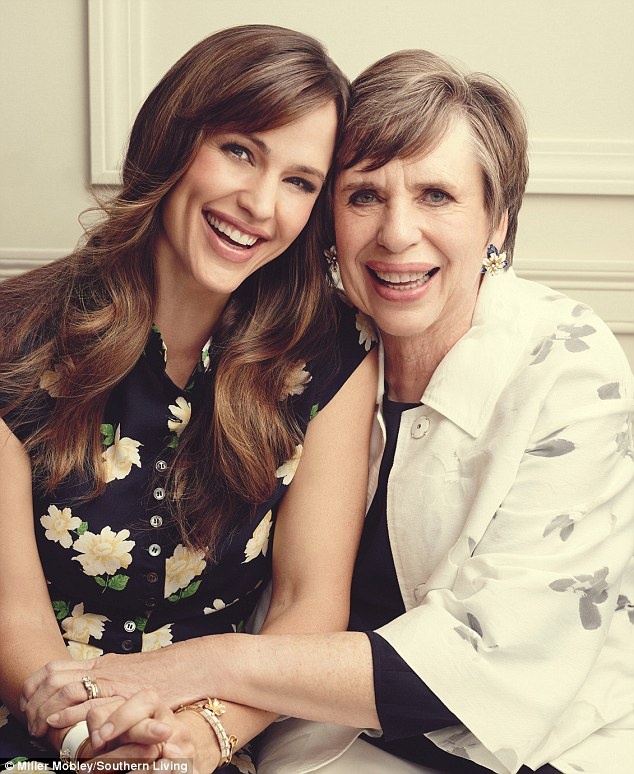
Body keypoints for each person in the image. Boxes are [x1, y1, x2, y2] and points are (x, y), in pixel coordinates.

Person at [22, 49, 633, 774]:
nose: (396, 233)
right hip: (319, 740)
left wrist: (185, 672)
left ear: (496, 221)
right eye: (364, 195)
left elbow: (485, 664)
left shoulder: (567, 364)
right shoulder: (315, 347)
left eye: (437, 195)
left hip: (524, 751)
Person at [0, 24, 378, 770]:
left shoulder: (332, 356)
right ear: (175, 138)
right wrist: (90, 732)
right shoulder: (14, 340)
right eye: (240, 150)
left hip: (202, 738)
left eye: (300, 182)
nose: (260, 204)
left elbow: (308, 608)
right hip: (36, 724)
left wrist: (203, 736)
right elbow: (14, 617)